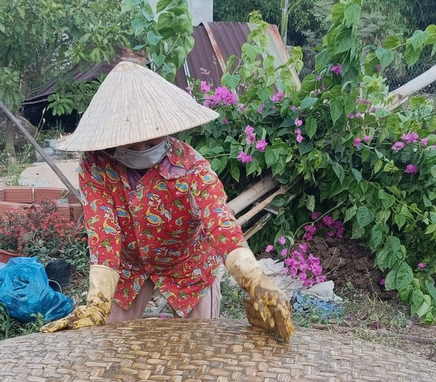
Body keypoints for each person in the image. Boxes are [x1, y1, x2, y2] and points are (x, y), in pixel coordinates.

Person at [42, 60, 292, 340]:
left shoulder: (191, 167)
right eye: (130, 144)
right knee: (109, 342)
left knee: (200, 345)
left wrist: (255, 279)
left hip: (187, 262)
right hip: (127, 266)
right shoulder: (96, 165)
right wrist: (98, 301)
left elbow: (219, 222)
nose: (141, 149)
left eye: (151, 142)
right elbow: (104, 232)